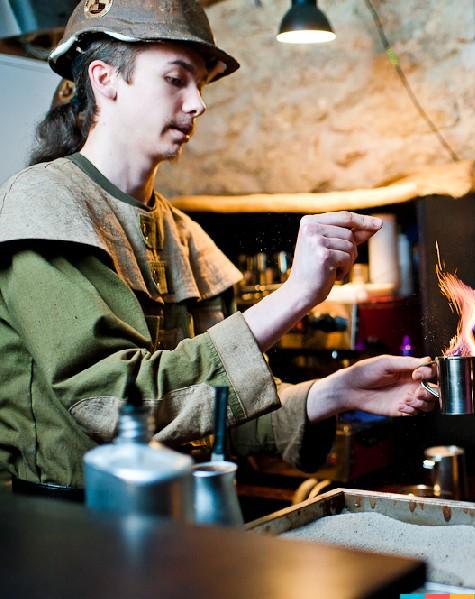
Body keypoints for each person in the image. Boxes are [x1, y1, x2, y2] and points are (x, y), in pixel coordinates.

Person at [0, 0, 436, 496]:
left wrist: (336, 391)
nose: (197, 104)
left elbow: (213, 407)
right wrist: (294, 295)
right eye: (176, 79)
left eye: (201, 85)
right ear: (105, 80)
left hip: (177, 513)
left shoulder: (183, 234)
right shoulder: (44, 202)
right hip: (63, 523)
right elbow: (109, 402)